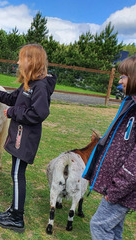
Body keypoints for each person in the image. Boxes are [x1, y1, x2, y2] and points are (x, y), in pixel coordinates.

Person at [0, 44, 57, 233]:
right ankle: (14, 210)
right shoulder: (29, 84)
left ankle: (17, 218)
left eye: (21, 58)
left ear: (32, 60)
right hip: (20, 135)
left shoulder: (40, 86)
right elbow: (12, 97)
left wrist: (12, 112)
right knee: (16, 173)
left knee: (16, 174)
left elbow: (39, 113)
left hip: (26, 137)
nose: (17, 62)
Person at [83, 55, 136, 239]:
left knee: (99, 226)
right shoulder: (130, 104)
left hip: (123, 189)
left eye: (124, 76)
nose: (120, 81)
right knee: (113, 229)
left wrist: (116, 189)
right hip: (119, 187)